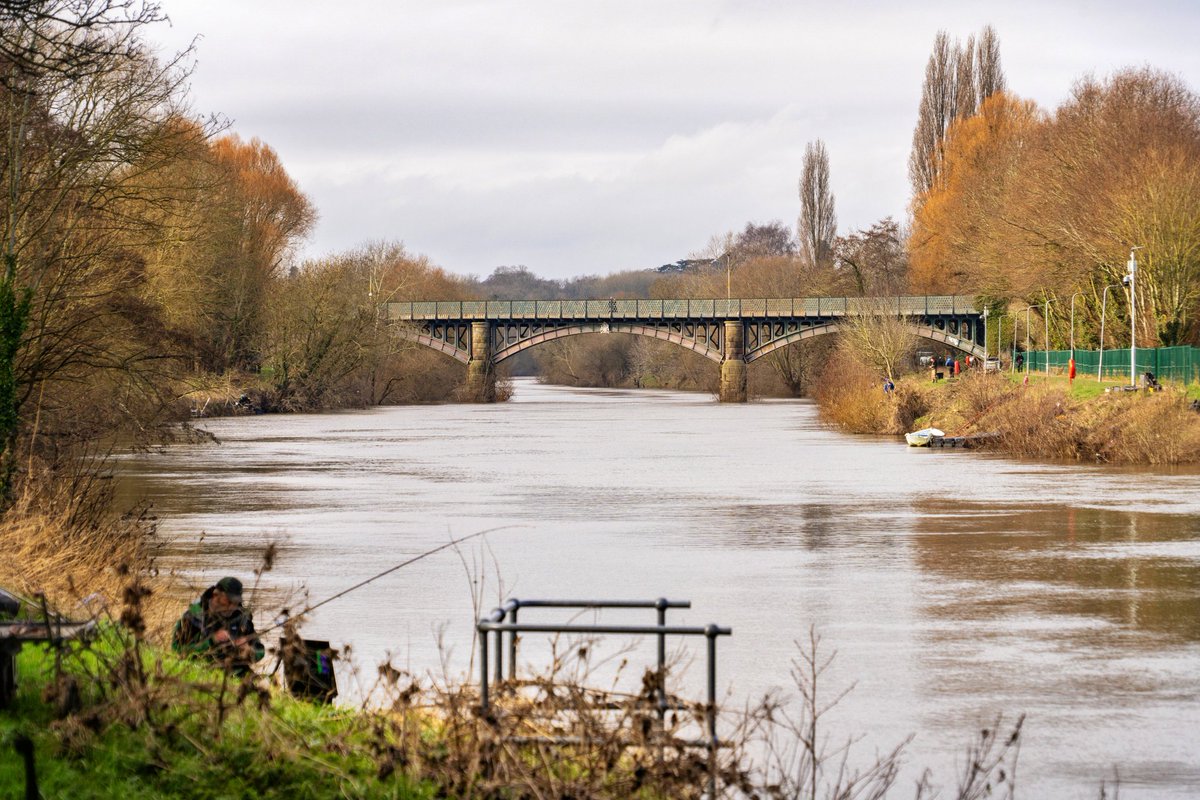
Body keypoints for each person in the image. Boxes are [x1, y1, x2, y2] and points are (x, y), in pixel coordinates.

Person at [172, 577, 264, 675]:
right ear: (215, 595)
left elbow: (260, 651)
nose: (232, 607)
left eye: (236, 603)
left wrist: (248, 652)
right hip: (202, 670)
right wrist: (211, 641)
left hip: (236, 672)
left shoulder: (242, 619)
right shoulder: (194, 617)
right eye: (228, 601)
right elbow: (176, 650)